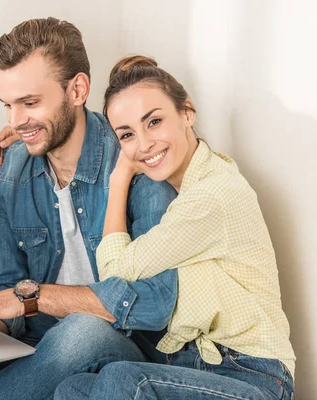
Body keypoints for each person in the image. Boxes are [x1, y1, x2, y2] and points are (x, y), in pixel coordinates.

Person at [0, 18, 179, 400]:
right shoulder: (5, 173)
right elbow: (3, 289)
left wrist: (31, 298)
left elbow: (156, 302)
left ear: (77, 89)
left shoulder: (134, 160)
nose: (15, 121)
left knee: (81, 331)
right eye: (7, 105)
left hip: (118, 342)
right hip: (39, 337)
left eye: (30, 102)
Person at [53, 55, 296, 400]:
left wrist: (120, 176)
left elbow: (115, 270)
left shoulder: (213, 195)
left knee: (125, 380)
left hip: (254, 377)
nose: (144, 144)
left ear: (187, 113)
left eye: (153, 122)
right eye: (127, 135)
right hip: (192, 364)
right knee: (72, 389)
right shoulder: (184, 188)